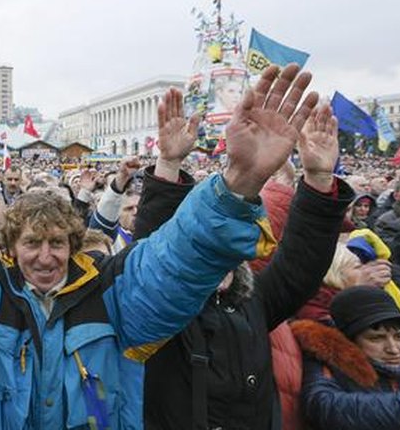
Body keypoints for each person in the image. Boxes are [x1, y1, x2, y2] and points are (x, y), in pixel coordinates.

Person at [0, 41, 320, 428]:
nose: (45, 257)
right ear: (11, 249)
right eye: (32, 244)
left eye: (57, 243)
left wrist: (240, 183)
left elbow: (181, 259)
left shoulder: (116, 299)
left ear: (74, 244)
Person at [141, 87, 352, 429]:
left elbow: (301, 263)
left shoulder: (253, 301)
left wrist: (318, 178)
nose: (217, 255)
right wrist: (168, 164)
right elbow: (148, 254)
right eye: (206, 245)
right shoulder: (163, 308)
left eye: (225, 246)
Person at [292, 286, 400, 429]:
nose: (393, 349)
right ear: (349, 342)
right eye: (376, 338)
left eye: (399, 336)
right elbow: (322, 406)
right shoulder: (326, 361)